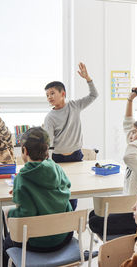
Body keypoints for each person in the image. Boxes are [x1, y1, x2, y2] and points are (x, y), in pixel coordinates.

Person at [89, 87, 137, 239]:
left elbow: (128, 158)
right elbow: (128, 124)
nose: (131, 134)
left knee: (95, 220)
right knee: (93, 214)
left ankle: (125, 241)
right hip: (131, 208)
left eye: (135, 132)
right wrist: (130, 100)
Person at [3, 127, 73, 267]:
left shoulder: (22, 178)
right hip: (64, 236)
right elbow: (67, 186)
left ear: (25, 151)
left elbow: (26, 214)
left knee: (6, 242)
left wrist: (9, 214)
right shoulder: (57, 168)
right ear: (47, 150)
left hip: (38, 243)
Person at [43, 62, 98, 210]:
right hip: (59, 158)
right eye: (47, 95)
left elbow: (94, 95)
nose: (49, 97)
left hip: (76, 156)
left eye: (52, 93)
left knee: (74, 190)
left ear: (63, 94)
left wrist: (88, 79)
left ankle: (70, 222)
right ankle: (62, 222)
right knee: (61, 192)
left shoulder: (75, 106)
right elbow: (49, 142)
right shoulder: (50, 117)